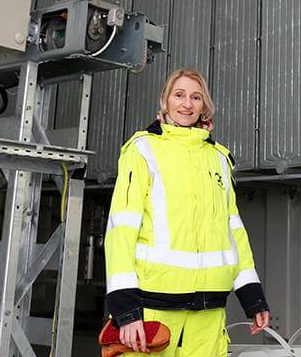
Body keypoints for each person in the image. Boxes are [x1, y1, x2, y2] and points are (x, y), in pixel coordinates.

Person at [104, 68, 271, 355]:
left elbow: (233, 232)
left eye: (196, 97)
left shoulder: (219, 158)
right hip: (153, 312)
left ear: (204, 106)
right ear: (165, 101)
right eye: (179, 95)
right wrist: (126, 311)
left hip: (209, 314)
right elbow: (121, 229)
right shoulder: (142, 149)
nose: (187, 104)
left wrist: (252, 297)